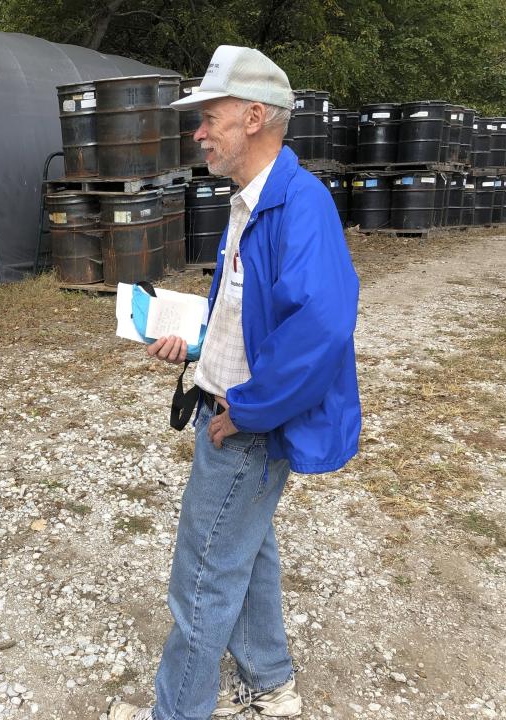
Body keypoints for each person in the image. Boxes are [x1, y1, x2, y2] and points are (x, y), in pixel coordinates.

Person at [108, 46, 361, 720]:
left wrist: (245, 412)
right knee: (246, 555)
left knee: (201, 582)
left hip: (242, 424)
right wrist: (194, 343)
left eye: (208, 116)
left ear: (253, 117)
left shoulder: (299, 205)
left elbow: (323, 329)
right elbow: (250, 311)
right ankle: (270, 686)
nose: (198, 131)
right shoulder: (253, 198)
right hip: (227, 404)